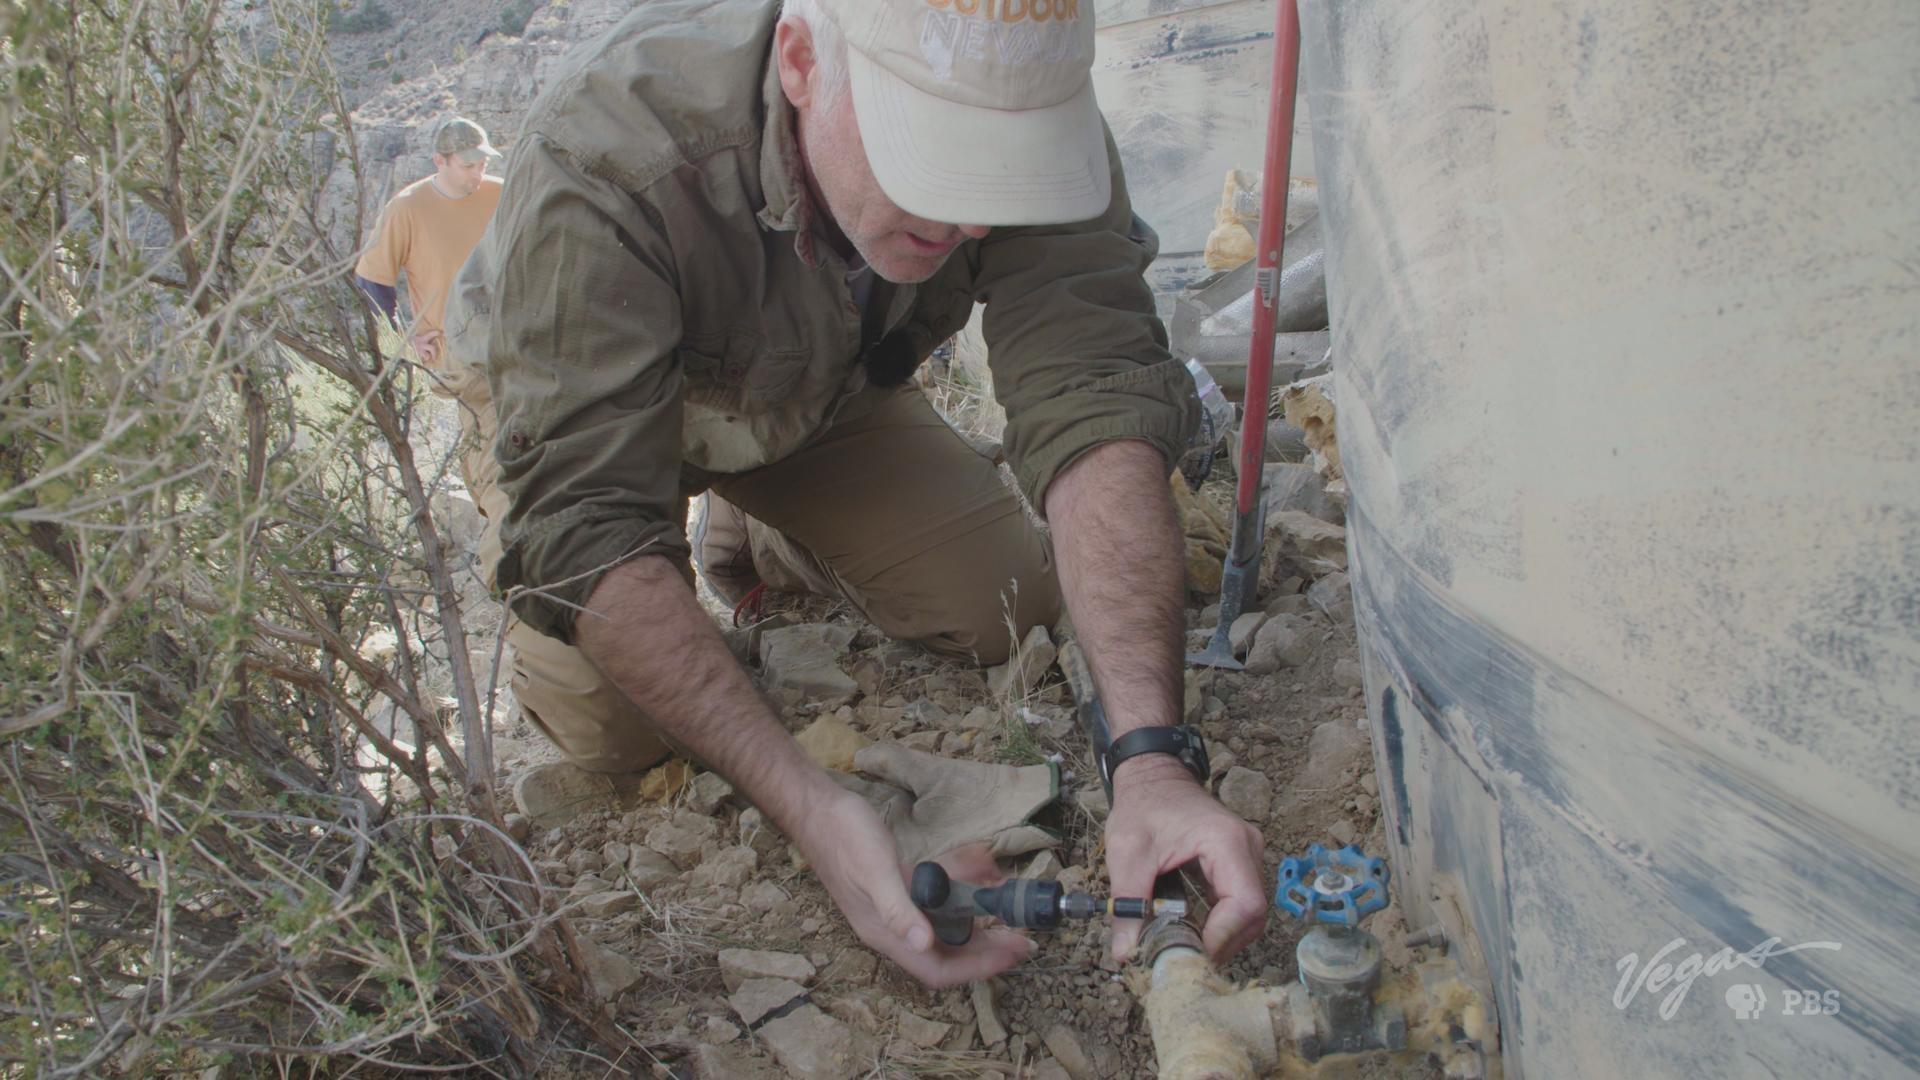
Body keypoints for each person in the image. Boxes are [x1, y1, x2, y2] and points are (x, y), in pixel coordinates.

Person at [441, 0, 1268, 989]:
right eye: (936, 159)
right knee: (617, 727)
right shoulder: (611, 149)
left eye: (997, 174)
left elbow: (1091, 389)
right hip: (591, 405)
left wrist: (1151, 764)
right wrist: (811, 807)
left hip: (813, 387)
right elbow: (583, 526)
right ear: (799, 61)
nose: (971, 218)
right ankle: (718, 522)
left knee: (1001, 602)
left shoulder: (1029, 103)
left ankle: (767, 527)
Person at [354, 116, 504, 386]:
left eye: (483, 164)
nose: (477, 173)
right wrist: (399, 341)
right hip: (450, 359)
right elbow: (372, 281)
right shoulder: (406, 208)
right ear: (440, 161)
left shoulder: (503, 194)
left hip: (508, 348)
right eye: (467, 165)